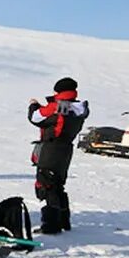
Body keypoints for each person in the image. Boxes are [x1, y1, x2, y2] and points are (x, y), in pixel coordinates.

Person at [27, 77, 89, 234]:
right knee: (58, 185)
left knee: (47, 185)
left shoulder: (57, 107)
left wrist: (33, 105)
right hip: (66, 149)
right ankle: (64, 221)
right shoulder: (78, 107)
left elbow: (36, 117)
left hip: (51, 150)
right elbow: (57, 118)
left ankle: (51, 226)